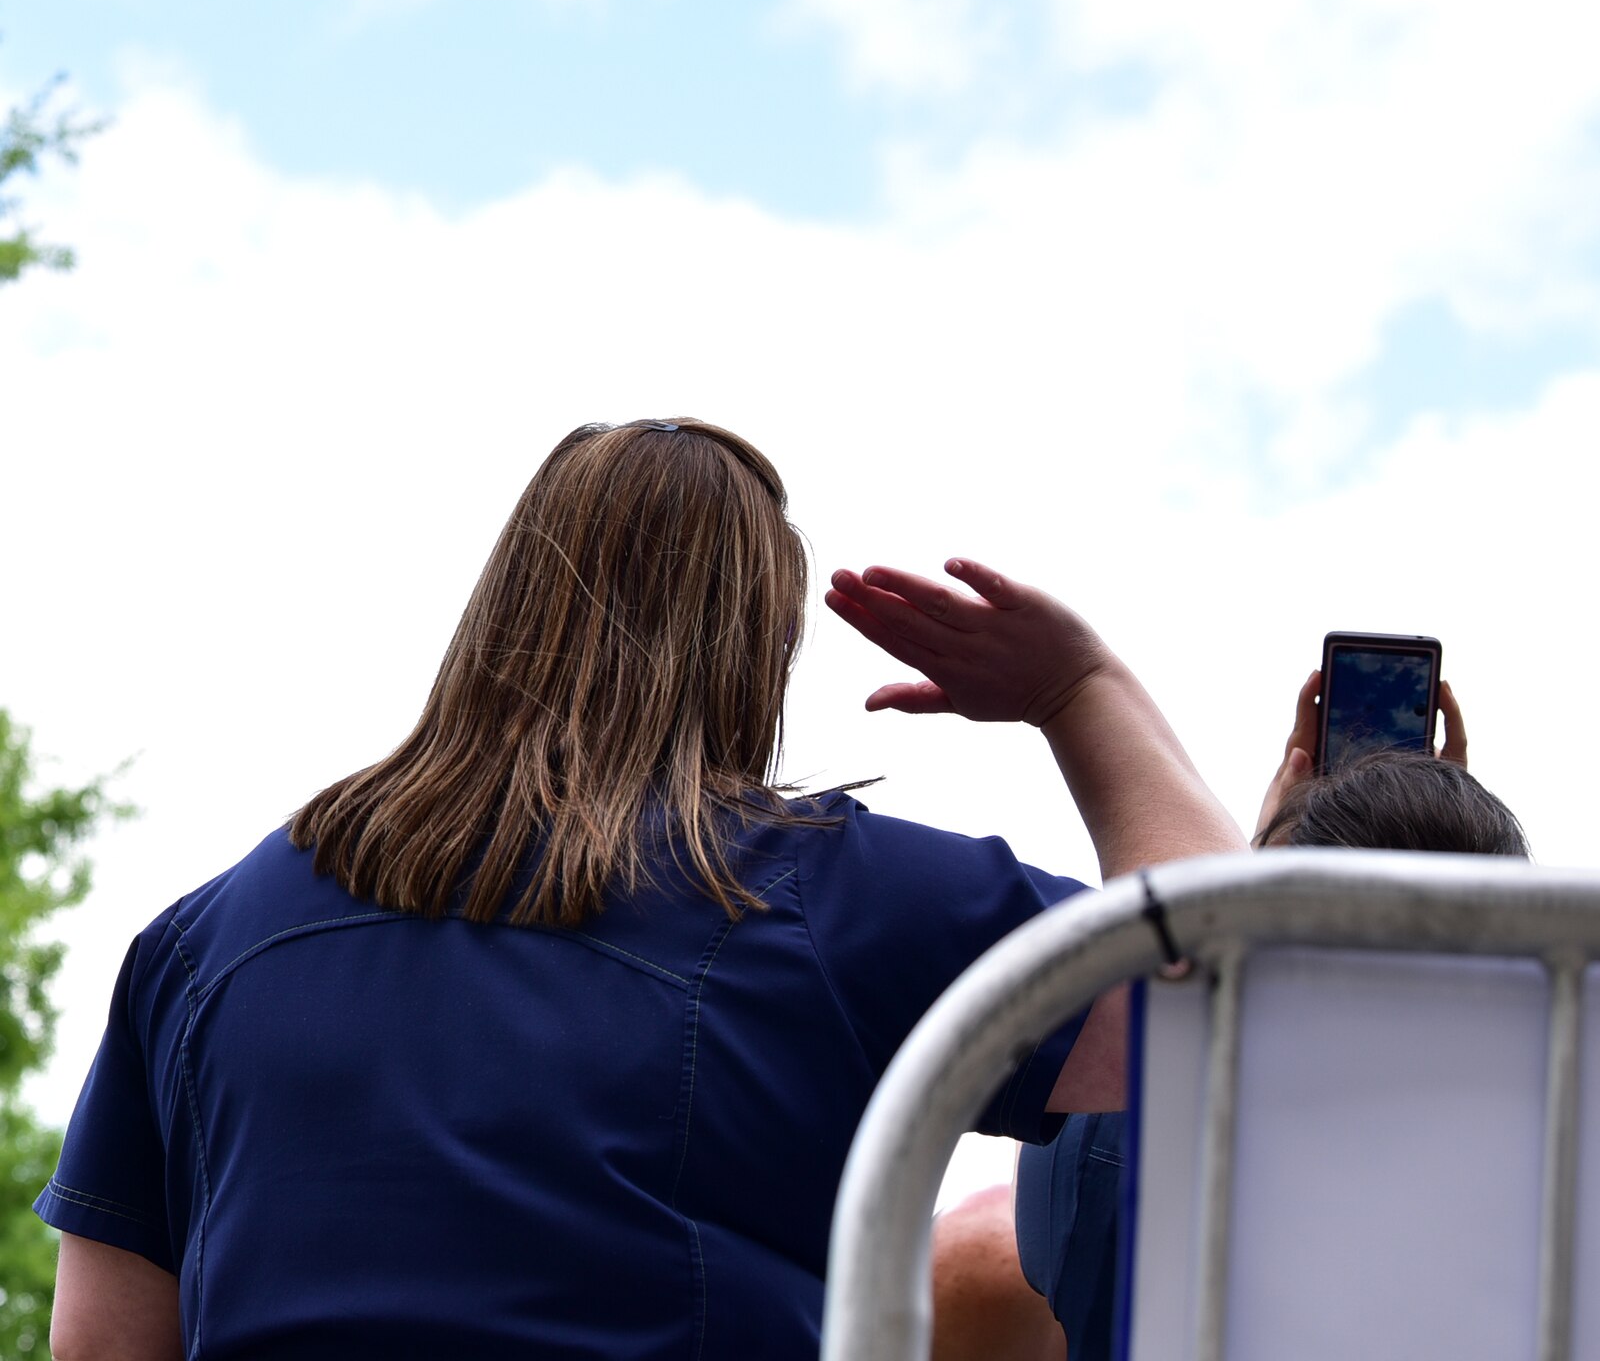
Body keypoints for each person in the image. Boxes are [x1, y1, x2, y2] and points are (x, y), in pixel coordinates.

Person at [39, 418, 1242, 1361]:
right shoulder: (824, 891)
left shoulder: (200, 940)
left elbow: (101, 1340)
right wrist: (1081, 691)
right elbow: (1221, 993)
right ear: (757, 656)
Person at [932, 670, 1529, 1361]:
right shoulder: (1546, 1151)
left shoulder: (1125, 1134)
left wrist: (1250, 873)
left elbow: (1177, 998)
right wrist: (1451, 875)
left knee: (980, 1255)